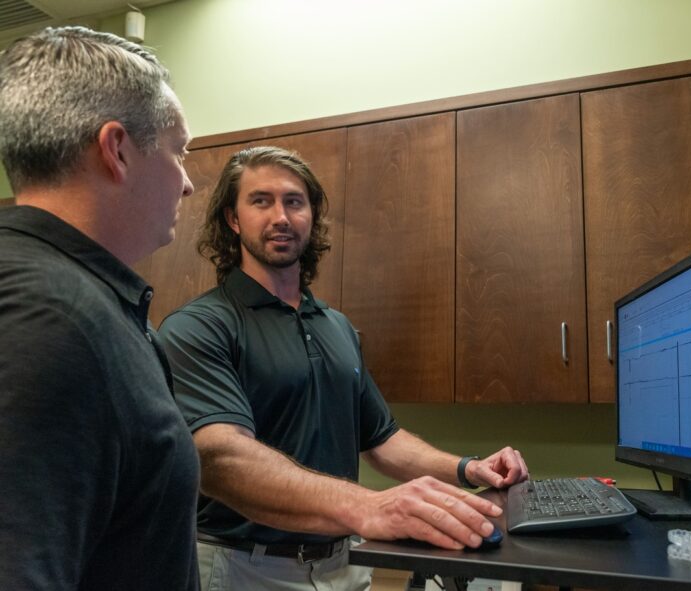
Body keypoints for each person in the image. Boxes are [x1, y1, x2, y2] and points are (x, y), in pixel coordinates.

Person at [159, 146, 529, 590]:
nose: (280, 216)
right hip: (245, 567)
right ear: (233, 220)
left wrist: (469, 468)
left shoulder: (336, 327)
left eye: (294, 201)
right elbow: (223, 459)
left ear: (311, 217)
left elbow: (382, 439)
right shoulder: (200, 326)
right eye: (261, 201)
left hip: (345, 565)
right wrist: (372, 507)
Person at [0, 26, 198, 590]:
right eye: (178, 150)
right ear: (117, 150)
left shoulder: (81, 299)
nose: (186, 183)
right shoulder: (48, 319)